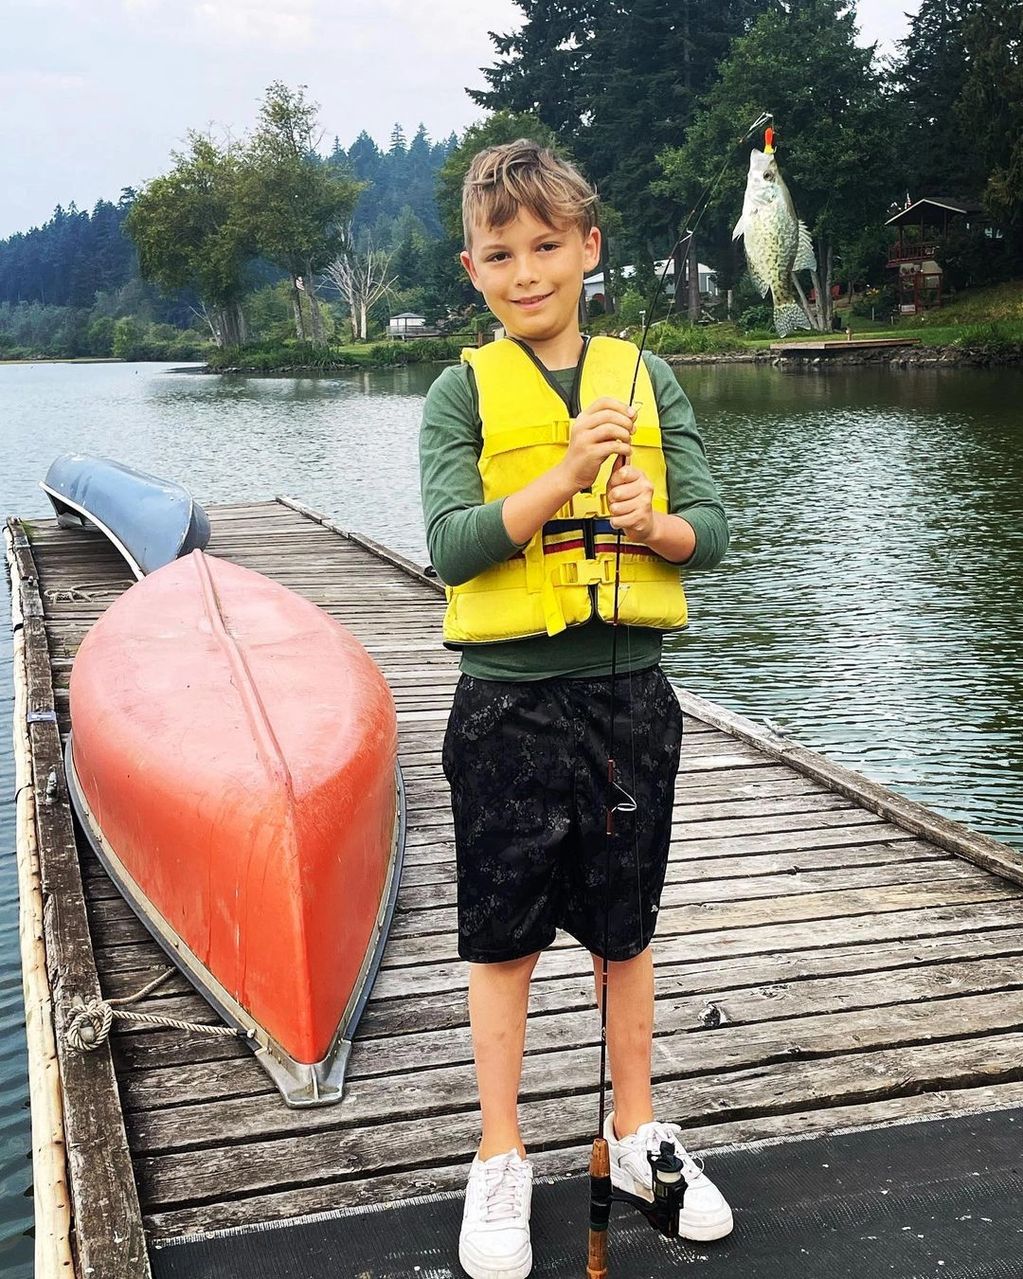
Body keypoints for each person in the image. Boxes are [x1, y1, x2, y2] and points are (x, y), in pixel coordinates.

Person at [419, 140, 732, 1279]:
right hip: (505, 710)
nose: (526, 271)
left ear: (588, 249)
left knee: (625, 930)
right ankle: (499, 1153)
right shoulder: (460, 391)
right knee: (502, 942)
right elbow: (453, 545)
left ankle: (635, 1130)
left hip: (631, 703)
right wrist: (558, 477)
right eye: (501, 253)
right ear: (473, 268)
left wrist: (655, 525)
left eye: (547, 245)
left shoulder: (650, 380)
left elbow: (714, 531)